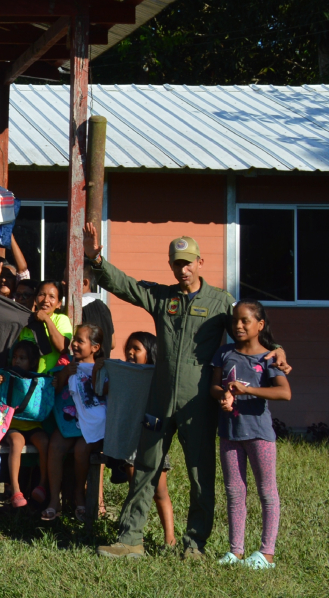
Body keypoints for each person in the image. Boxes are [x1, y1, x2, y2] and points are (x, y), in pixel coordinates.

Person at [86, 223, 290, 560]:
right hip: (160, 399)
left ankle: (194, 545)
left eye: (188, 262)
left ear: (200, 263)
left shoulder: (220, 302)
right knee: (145, 468)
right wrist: (97, 260)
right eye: (177, 263)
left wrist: (277, 347)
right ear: (171, 266)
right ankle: (130, 540)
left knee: (200, 475)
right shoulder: (162, 297)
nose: (183, 269)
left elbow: (247, 331)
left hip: (198, 403)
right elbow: (124, 286)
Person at [210, 301, 290, 569]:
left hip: (259, 434)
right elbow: (214, 386)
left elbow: (284, 392)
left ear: (260, 325)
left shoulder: (268, 358)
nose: (239, 325)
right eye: (235, 321)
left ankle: (267, 554)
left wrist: (248, 391)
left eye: (245, 321)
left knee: (267, 491)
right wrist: (224, 396)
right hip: (230, 432)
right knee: (234, 491)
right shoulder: (223, 353)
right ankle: (236, 551)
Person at [42, 324, 108, 522]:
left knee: (81, 450)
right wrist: (63, 375)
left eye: (80, 341)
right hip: (70, 423)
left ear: (95, 348)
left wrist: (98, 372)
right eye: (74, 340)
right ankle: (55, 500)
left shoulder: (103, 367)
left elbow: (105, 394)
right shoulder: (67, 367)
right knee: (55, 446)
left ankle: (80, 493)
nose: (75, 345)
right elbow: (51, 393)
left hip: (94, 426)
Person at [118, 331, 177, 547]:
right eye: (128, 348)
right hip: (130, 444)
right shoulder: (125, 374)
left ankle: (170, 539)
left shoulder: (158, 379)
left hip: (152, 441)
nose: (130, 352)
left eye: (136, 348)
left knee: (160, 491)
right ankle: (135, 536)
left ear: (150, 353)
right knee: (135, 489)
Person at [1, 340, 52, 509]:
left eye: (22, 358)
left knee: (44, 442)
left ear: (32, 362)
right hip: (13, 425)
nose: (17, 361)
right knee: (16, 443)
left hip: (33, 426)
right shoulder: (7, 376)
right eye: (15, 357)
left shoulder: (39, 380)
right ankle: (16, 489)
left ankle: (42, 485)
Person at [80, 268, 114, 359]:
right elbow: (113, 343)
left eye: (66, 278)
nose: (63, 282)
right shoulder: (104, 307)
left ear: (85, 283)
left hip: (85, 369)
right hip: (103, 367)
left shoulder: (78, 307)